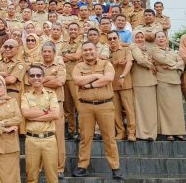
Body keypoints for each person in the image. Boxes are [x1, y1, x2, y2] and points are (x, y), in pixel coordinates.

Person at [72, 41, 122, 180]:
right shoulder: (78, 66)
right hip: (85, 106)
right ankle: (82, 166)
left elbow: (109, 78)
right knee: (85, 137)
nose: (88, 52)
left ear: (96, 51)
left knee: (109, 138)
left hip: (105, 106)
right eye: (85, 50)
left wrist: (89, 85)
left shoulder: (106, 64)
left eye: (90, 49)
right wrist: (95, 76)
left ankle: (115, 168)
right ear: (82, 52)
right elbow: (77, 80)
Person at [21, 65, 60, 183]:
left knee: (52, 177)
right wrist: (46, 112)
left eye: (38, 75)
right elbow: (26, 113)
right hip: (32, 140)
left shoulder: (51, 94)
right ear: (28, 78)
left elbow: (56, 115)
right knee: (31, 177)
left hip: (49, 140)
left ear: (43, 77)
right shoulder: (25, 95)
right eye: (32, 75)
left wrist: (35, 117)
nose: (35, 78)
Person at [37, 42, 68, 178]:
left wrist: (42, 81)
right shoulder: (37, 67)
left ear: (54, 53)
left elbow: (60, 82)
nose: (47, 53)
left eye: (50, 51)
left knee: (58, 137)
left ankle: (59, 168)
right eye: (45, 51)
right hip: (39, 103)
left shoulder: (60, 66)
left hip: (56, 104)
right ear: (41, 53)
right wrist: (50, 78)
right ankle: (40, 166)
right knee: (40, 134)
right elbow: (33, 82)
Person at [150, 31, 186, 141]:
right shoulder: (154, 51)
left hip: (175, 81)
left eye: (163, 36)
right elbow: (162, 59)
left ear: (166, 39)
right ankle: (169, 133)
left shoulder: (172, 51)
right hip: (163, 81)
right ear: (155, 40)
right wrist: (176, 64)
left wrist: (174, 66)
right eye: (158, 37)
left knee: (177, 108)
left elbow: (182, 62)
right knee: (166, 108)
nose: (161, 38)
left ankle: (179, 132)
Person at [107, 31, 136, 141]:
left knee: (129, 110)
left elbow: (129, 63)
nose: (112, 40)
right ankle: (120, 132)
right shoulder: (106, 52)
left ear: (119, 38)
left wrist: (123, 76)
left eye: (114, 38)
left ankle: (131, 133)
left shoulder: (125, 49)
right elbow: (105, 66)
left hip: (125, 84)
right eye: (110, 39)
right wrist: (116, 62)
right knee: (115, 110)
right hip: (111, 86)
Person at [129, 30, 158, 141]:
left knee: (150, 109)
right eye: (137, 37)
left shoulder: (145, 49)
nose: (140, 39)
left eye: (142, 37)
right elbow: (140, 60)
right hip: (140, 81)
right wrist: (152, 66)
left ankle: (151, 133)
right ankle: (142, 133)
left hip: (150, 81)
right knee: (141, 109)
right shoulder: (133, 46)